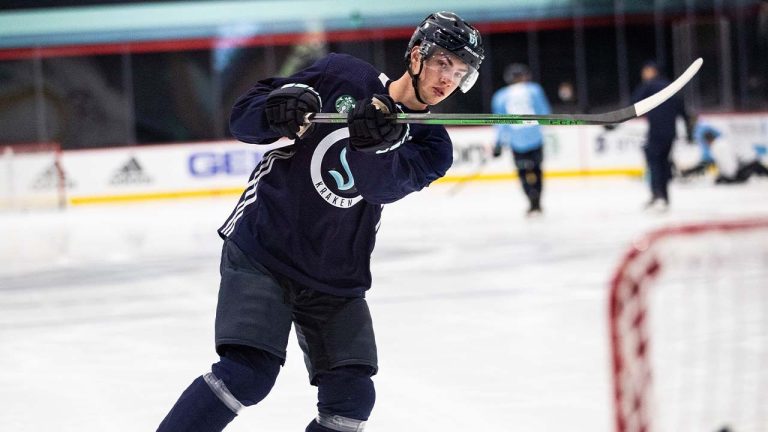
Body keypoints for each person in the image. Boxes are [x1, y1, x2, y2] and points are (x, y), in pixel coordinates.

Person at [155, 11, 484, 432]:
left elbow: (379, 188)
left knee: (352, 400)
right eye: (443, 63)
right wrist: (279, 108)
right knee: (247, 374)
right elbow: (242, 120)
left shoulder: (432, 144)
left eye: (460, 72)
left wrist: (375, 145)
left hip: (334, 273)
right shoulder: (342, 75)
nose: (448, 79)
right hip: (265, 246)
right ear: (417, 56)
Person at [490, 63, 552, 216]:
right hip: (535, 137)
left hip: (516, 142)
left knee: (523, 173)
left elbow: (500, 123)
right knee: (537, 170)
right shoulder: (534, 89)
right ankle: (537, 201)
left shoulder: (500, 96)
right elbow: (545, 112)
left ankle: (531, 200)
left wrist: (498, 144)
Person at [631, 60, 692, 212]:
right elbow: (684, 112)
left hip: (656, 132)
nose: (643, 74)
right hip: (670, 134)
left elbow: (633, 105)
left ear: (653, 71)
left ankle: (657, 196)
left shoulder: (649, 86)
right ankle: (664, 197)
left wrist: (613, 122)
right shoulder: (672, 87)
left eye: (646, 71)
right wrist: (690, 133)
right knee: (664, 164)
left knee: (655, 163)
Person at [701, 129, 768, 184]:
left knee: (720, 180)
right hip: (751, 161)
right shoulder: (721, 142)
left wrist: (729, 177)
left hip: (748, 164)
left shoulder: (718, 146)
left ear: (707, 141)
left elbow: (728, 162)